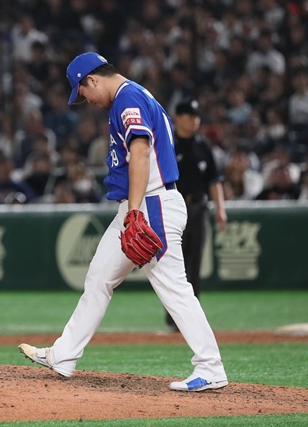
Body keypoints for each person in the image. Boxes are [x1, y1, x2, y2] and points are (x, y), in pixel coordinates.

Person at [18, 53, 227, 392]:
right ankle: (64, 355)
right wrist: (130, 210)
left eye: (83, 91)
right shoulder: (127, 99)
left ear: (93, 80)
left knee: (174, 288)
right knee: (99, 276)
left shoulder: (127, 98)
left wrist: (133, 212)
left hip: (152, 203)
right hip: (140, 204)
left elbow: (141, 152)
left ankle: (211, 367)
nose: (85, 99)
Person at [165, 100, 227, 331]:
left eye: (196, 116)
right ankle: (174, 319)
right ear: (177, 117)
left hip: (199, 208)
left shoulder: (203, 146)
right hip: (173, 208)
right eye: (189, 116)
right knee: (173, 266)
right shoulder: (168, 144)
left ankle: (191, 318)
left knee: (194, 265)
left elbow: (214, 180)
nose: (195, 120)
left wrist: (220, 209)